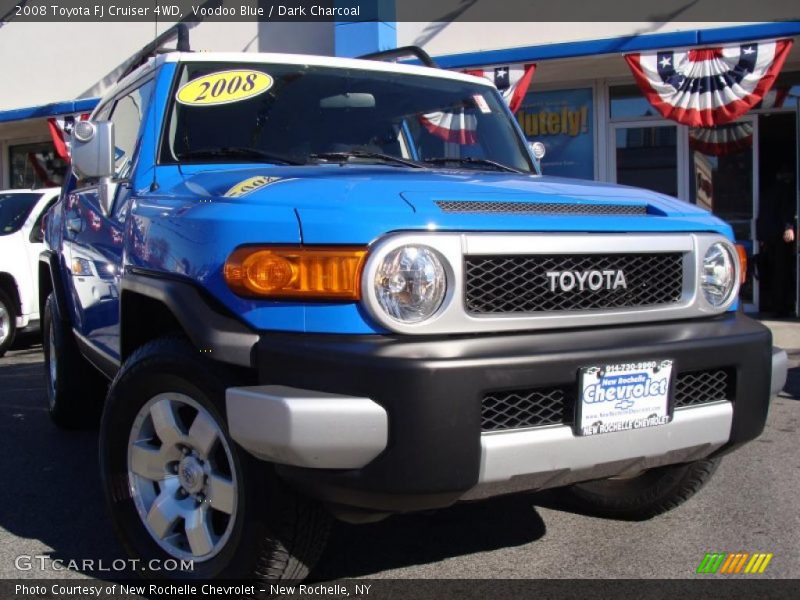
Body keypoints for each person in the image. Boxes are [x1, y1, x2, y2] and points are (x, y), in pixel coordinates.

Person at [757, 160, 797, 317]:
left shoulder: (768, 190)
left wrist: (761, 236)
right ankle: (781, 307)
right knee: (781, 271)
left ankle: (775, 305)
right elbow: (785, 209)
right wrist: (789, 227)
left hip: (769, 236)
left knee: (774, 270)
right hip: (780, 236)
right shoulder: (785, 189)